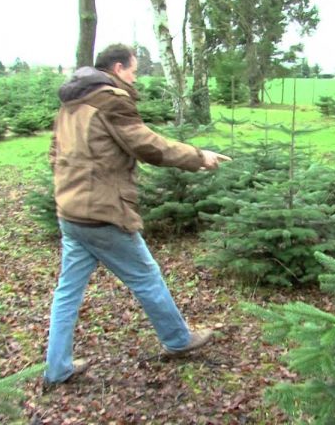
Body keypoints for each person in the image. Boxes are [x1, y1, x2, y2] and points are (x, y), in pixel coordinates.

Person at [43, 43, 229, 386]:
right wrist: (198, 156)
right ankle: (177, 339)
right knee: (146, 276)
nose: (135, 77)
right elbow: (147, 145)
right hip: (103, 213)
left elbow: (54, 153)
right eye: (133, 70)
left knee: (67, 291)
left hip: (70, 213)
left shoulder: (71, 102)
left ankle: (57, 368)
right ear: (117, 68)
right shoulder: (110, 99)